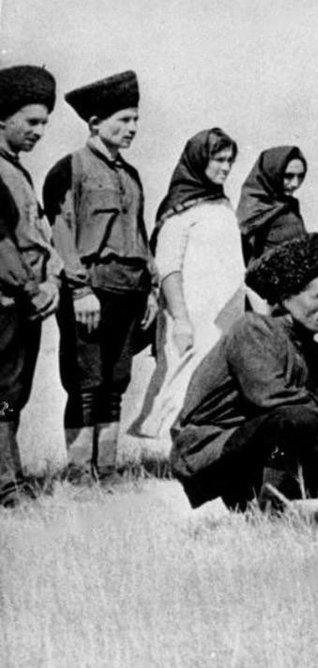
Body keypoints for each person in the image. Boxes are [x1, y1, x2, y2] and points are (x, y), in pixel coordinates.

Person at [170, 232, 318, 512]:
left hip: (260, 443)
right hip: (207, 450)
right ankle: (269, 513)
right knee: (291, 420)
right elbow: (275, 400)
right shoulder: (252, 329)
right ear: (286, 297)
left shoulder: (307, 348)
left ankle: (258, 499)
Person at [43, 70, 157, 481]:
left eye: (136, 120)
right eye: (123, 120)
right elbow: (62, 236)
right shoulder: (68, 170)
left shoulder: (131, 175)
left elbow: (140, 237)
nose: (132, 128)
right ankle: (78, 473)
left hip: (129, 293)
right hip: (91, 293)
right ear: (94, 123)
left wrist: (151, 290)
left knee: (115, 383)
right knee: (84, 382)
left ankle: (106, 471)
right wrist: (80, 291)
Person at [127, 128, 245, 438]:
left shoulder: (221, 205)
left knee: (216, 381)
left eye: (230, 160)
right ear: (198, 160)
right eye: (217, 159)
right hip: (190, 312)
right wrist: (180, 320)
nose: (225, 167)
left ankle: (200, 448)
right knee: (181, 378)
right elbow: (168, 268)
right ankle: (170, 447)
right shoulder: (179, 209)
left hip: (223, 311)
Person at [0, 65, 62, 507]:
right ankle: (7, 486)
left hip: (27, 301)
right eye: (31, 121)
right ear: (2, 117)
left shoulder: (15, 170)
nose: (39, 132)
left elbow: (39, 236)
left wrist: (53, 280)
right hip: (8, 299)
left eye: (44, 123)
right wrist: (29, 286)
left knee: (12, 395)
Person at [236, 145, 307, 267]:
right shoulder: (254, 209)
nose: (295, 183)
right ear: (272, 172)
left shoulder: (288, 206)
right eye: (288, 176)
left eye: (300, 176)